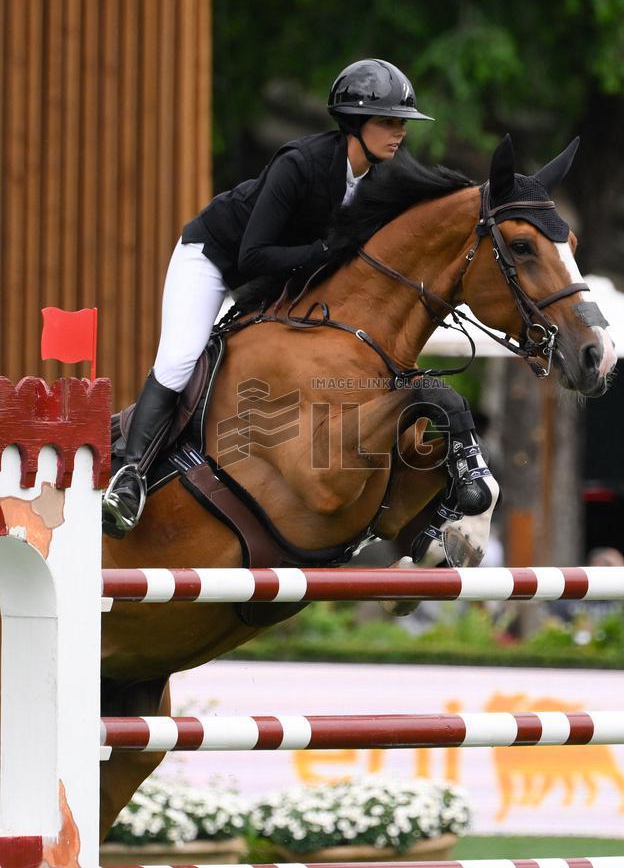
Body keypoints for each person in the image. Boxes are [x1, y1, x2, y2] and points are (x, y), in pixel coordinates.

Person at [102, 59, 434, 537]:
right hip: (215, 258)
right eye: (388, 121)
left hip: (281, 275)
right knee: (178, 359)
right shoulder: (299, 164)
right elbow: (253, 254)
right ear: (355, 123)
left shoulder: (378, 181)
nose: (399, 133)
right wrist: (322, 252)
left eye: (402, 123)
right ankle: (129, 475)